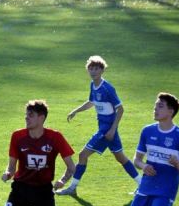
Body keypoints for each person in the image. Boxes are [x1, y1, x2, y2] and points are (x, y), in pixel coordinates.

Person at [56, 56, 141, 196]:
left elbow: (120, 109)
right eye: (91, 68)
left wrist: (112, 129)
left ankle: (72, 188)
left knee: (83, 154)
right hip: (105, 128)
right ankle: (142, 185)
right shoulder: (93, 85)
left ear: (102, 70)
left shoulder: (107, 88)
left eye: (96, 69)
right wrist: (76, 111)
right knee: (120, 157)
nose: (93, 71)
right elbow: (91, 102)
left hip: (106, 129)